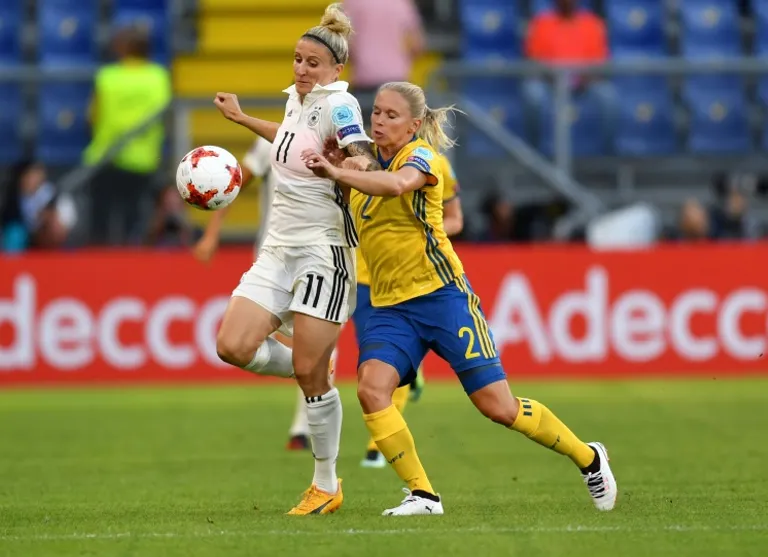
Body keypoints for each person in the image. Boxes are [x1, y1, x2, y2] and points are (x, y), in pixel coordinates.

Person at [301, 81, 618, 516]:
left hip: (442, 296)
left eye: (392, 115)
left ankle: (589, 458)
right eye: (376, 112)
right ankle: (423, 495)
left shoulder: (421, 158)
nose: (379, 120)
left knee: (499, 407)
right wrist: (322, 160)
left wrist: (339, 173)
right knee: (372, 390)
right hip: (391, 306)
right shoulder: (361, 165)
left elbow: (396, 185)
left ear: (414, 125)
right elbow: (312, 162)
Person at [212, 3, 380, 516]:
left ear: (336, 69)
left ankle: (325, 484)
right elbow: (288, 140)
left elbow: (362, 152)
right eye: (298, 59)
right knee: (232, 345)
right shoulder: (296, 100)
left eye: (312, 63)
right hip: (277, 248)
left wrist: (345, 166)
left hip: (323, 251)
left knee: (308, 374)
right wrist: (242, 118)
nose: (302, 69)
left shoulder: (340, 105)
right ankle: (315, 364)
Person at [193, 137, 314, 451]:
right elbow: (232, 184)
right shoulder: (270, 142)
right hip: (271, 259)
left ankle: (303, 427)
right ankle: (312, 390)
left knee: (314, 337)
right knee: (249, 344)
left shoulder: (337, 142)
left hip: (317, 259)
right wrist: (212, 233)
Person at [355, 151, 464, 468]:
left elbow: (455, 219)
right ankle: (413, 375)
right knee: (368, 365)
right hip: (359, 275)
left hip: (403, 280)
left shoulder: (435, 164)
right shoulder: (360, 157)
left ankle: (377, 446)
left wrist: (422, 230)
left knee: (384, 362)